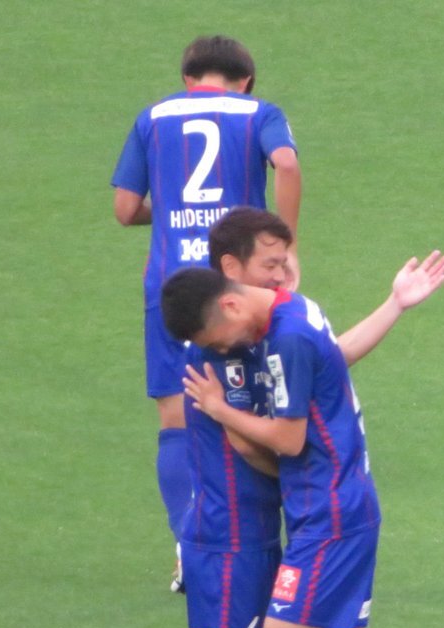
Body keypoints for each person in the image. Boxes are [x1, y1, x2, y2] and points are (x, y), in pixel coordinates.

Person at [163, 229, 444, 628]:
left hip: (329, 522)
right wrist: (394, 305)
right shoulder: (292, 316)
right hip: (335, 514)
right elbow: (330, 364)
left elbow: (289, 442)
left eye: (218, 341)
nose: (223, 352)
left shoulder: (286, 334)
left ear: (231, 301)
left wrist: (220, 410)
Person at [110, 35, 301, 591]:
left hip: (172, 287)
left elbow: (124, 209)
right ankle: (264, 547)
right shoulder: (258, 112)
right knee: (255, 408)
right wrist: (284, 246)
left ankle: (187, 548)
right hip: (239, 283)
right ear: (246, 80)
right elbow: (286, 164)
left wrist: (172, 208)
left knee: (176, 418)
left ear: (188, 79)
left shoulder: (152, 117)